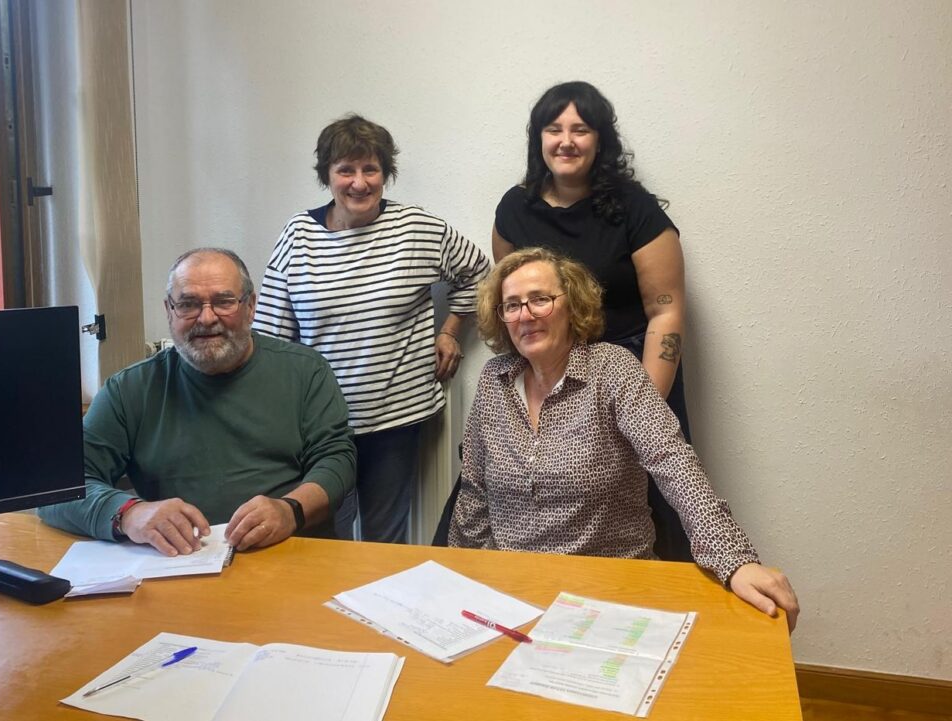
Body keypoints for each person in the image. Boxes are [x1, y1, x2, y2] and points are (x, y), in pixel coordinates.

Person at [449, 249, 799, 631]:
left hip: (609, 592)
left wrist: (735, 560)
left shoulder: (613, 369)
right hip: (515, 593)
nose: (525, 315)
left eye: (540, 299)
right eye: (512, 305)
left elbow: (671, 460)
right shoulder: (494, 380)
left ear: (572, 305)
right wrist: (461, 577)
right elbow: (474, 490)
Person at [253, 114, 490, 544]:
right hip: (321, 427)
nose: (359, 183)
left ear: (386, 173)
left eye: (371, 169)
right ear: (327, 175)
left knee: (385, 542)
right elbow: (271, 334)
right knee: (326, 541)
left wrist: (450, 331)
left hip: (395, 420)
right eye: (346, 170)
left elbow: (478, 272)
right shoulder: (298, 235)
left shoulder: (415, 228)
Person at [39, 248, 355, 556]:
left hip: (291, 555)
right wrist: (130, 514)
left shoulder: (305, 371)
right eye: (188, 304)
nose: (206, 318)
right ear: (169, 310)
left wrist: (291, 509)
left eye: (223, 302)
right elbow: (57, 491)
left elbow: (337, 460)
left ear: (250, 307)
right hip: (179, 562)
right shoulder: (129, 390)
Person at [492, 81, 693, 562]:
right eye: (553, 129)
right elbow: (513, 302)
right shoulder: (514, 208)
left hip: (634, 373)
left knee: (652, 505)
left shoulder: (635, 208)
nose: (566, 141)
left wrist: (639, 409)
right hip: (549, 377)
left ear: (600, 140)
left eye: (580, 129)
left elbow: (666, 311)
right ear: (538, 139)